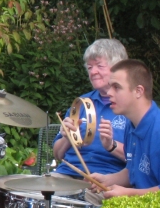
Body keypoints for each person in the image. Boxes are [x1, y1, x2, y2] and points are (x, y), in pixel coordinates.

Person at [52, 39, 128, 177]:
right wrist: (68, 137)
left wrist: (111, 145)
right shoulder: (80, 104)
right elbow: (58, 155)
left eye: (99, 66)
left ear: (118, 68)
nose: (93, 72)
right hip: (67, 174)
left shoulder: (131, 107)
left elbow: (141, 159)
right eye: (89, 67)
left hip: (108, 178)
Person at [92, 60, 160, 196]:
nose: (109, 92)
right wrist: (107, 180)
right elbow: (133, 170)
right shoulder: (131, 125)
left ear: (138, 91)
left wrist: (128, 194)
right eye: (110, 86)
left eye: (116, 87)